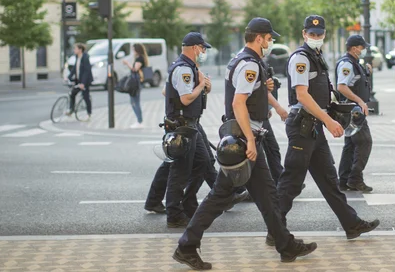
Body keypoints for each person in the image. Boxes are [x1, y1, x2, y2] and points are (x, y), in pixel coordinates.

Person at [173, 18, 316, 270]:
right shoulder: (249, 63)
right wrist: (250, 139)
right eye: (269, 38)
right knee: (222, 196)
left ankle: (285, 245)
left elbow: (249, 96)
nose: (270, 42)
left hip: (243, 137)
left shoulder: (243, 59)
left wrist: (271, 105)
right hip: (244, 140)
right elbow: (239, 102)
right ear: (259, 38)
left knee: (266, 195)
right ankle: (186, 246)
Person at [275, 15, 379, 247]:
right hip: (303, 126)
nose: (316, 37)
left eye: (319, 34)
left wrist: (335, 108)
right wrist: (328, 122)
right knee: (291, 181)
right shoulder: (300, 58)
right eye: (312, 34)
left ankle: (351, 225)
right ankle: (275, 230)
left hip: (313, 127)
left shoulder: (317, 56)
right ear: (304, 34)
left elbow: (323, 91)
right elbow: (302, 95)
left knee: (330, 181)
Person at [144, 33, 214, 228]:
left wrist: (202, 86)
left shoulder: (187, 67)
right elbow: (185, 99)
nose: (204, 52)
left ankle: (188, 203)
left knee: (203, 162)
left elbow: (168, 91)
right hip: (183, 126)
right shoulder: (184, 68)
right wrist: (201, 85)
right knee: (179, 172)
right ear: (194, 48)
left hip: (190, 124)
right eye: (203, 48)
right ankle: (174, 214)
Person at [336, 35, 374, 193]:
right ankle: (355, 179)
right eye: (362, 47)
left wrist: (367, 73)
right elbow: (342, 86)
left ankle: (344, 180)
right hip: (353, 111)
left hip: (352, 110)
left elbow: (355, 83)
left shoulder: (354, 63)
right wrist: (360, 101)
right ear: (354, 48)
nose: (364, 50)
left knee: (351, 145)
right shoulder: (347, 64)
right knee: (365, 142)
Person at [123, 43, 148, 129]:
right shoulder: (140, 58)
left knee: (135, 102)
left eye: (133, 49)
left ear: (137, 50)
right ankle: (139, 120)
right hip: (136, 82)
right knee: (134, 102)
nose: (133, 51)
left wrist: (127, 63)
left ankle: (140, 121)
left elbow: (135, 69)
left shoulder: (140, 58)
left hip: (136, 83)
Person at [67, 43, 92, 120]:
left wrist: (83, 83)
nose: (74, 50)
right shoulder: (77, 57)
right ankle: (71, 110)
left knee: (86, 97)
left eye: (75, 49)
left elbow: (86, 71)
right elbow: (75, 68)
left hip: (85, 81)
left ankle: (89, 113)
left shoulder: (85, 58)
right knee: (72, 93)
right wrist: (69, 77)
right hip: (78, 80)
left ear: (80, 50)